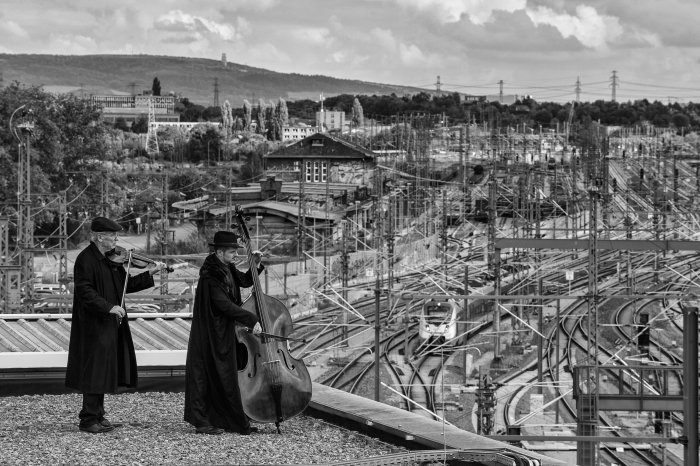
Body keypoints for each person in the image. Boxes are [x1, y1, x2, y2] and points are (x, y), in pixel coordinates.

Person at [65, 217, 165, 434]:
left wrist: (150, 273)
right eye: (113, 236)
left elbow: (125, 285)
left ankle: (98, 415)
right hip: (93, 323)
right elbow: (84, 291)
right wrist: (108, 307)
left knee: (104, 368)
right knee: (95, 369)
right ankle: (88, 419)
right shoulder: (86, 260)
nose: (117, 240)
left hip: (108, 323)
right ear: (101, 237)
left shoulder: (111, 260)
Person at [184, 230, 264, 435]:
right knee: (209, 375)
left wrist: (255, 265)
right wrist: (251, 319)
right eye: (231, 252)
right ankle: (203, 422)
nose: (235, 256)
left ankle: (227, 419)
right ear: (219, 252)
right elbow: (223, 305)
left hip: (223, 331)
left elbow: (246, 281)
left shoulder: (226, 266)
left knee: (223, 375)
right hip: (211, 333)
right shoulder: (211, 274)